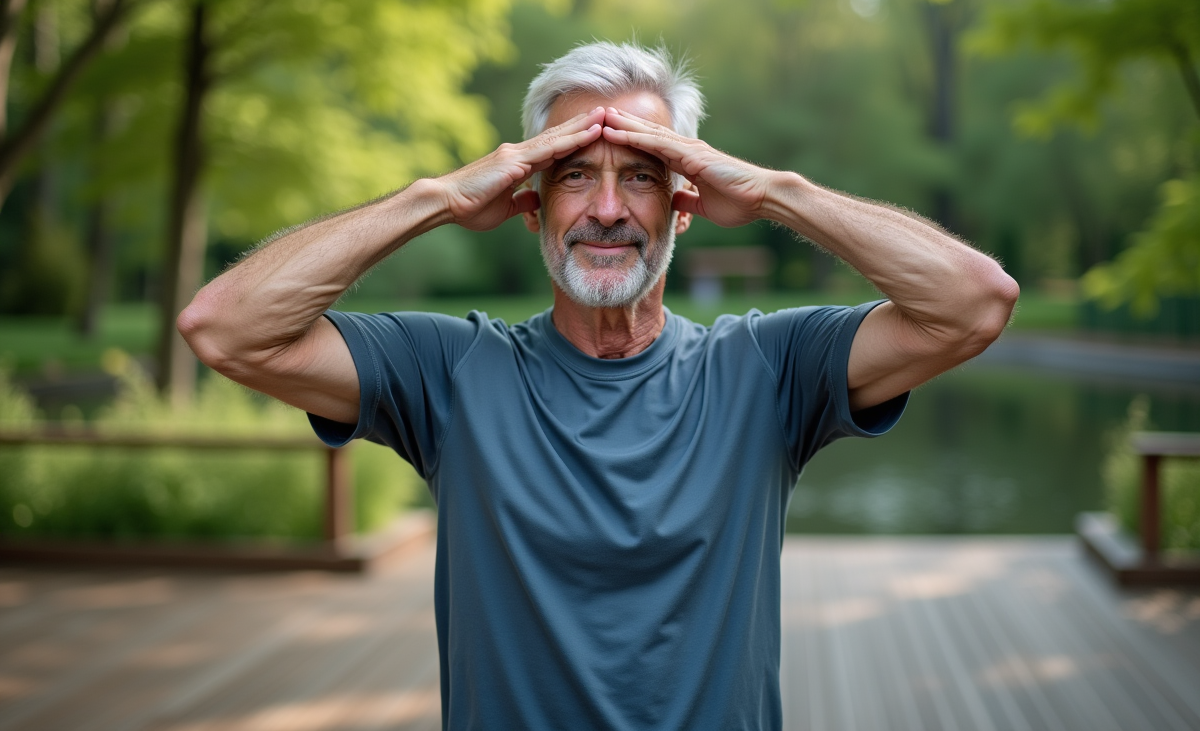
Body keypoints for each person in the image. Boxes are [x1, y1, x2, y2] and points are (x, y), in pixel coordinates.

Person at [179, 41, 1018, 730]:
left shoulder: (769, 368)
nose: (608, 208)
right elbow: (226, 328)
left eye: (644, 174)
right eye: (575, 174)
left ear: (684, 203)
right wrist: (434, 198)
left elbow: (973, 304)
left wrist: (771, 192)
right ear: (531, 202)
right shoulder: (449, 373)